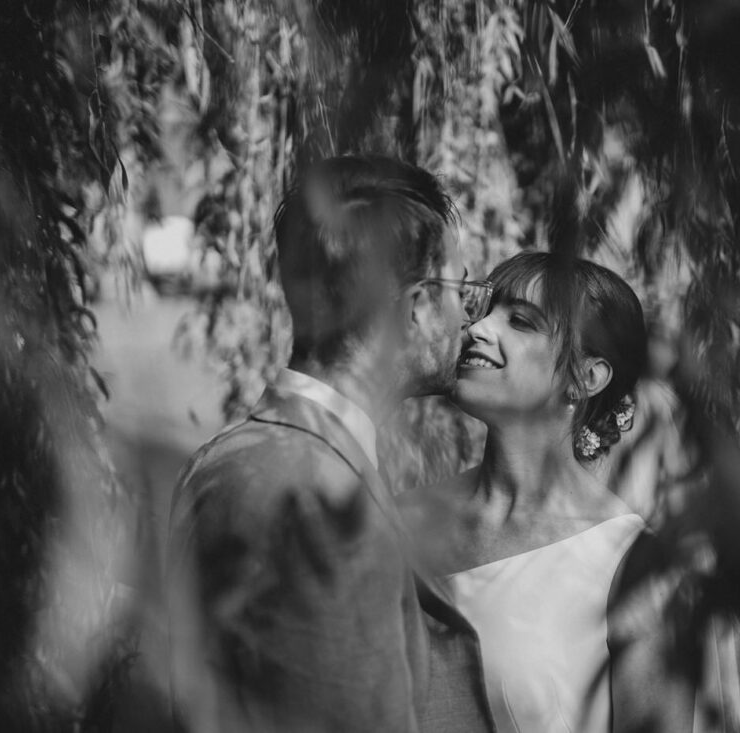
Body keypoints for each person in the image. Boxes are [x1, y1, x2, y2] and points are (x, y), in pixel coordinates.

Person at [166, 155, 496, 733]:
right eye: (460, 291)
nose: (469, 319)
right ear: (416, 308)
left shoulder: (230, 457)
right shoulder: (317, 505)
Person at [397, 251, 649, 732]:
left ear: (584, 377)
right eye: (484, 309)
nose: (477, 328)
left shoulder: (631, 566)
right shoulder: (399, 521)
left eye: (521, 322)